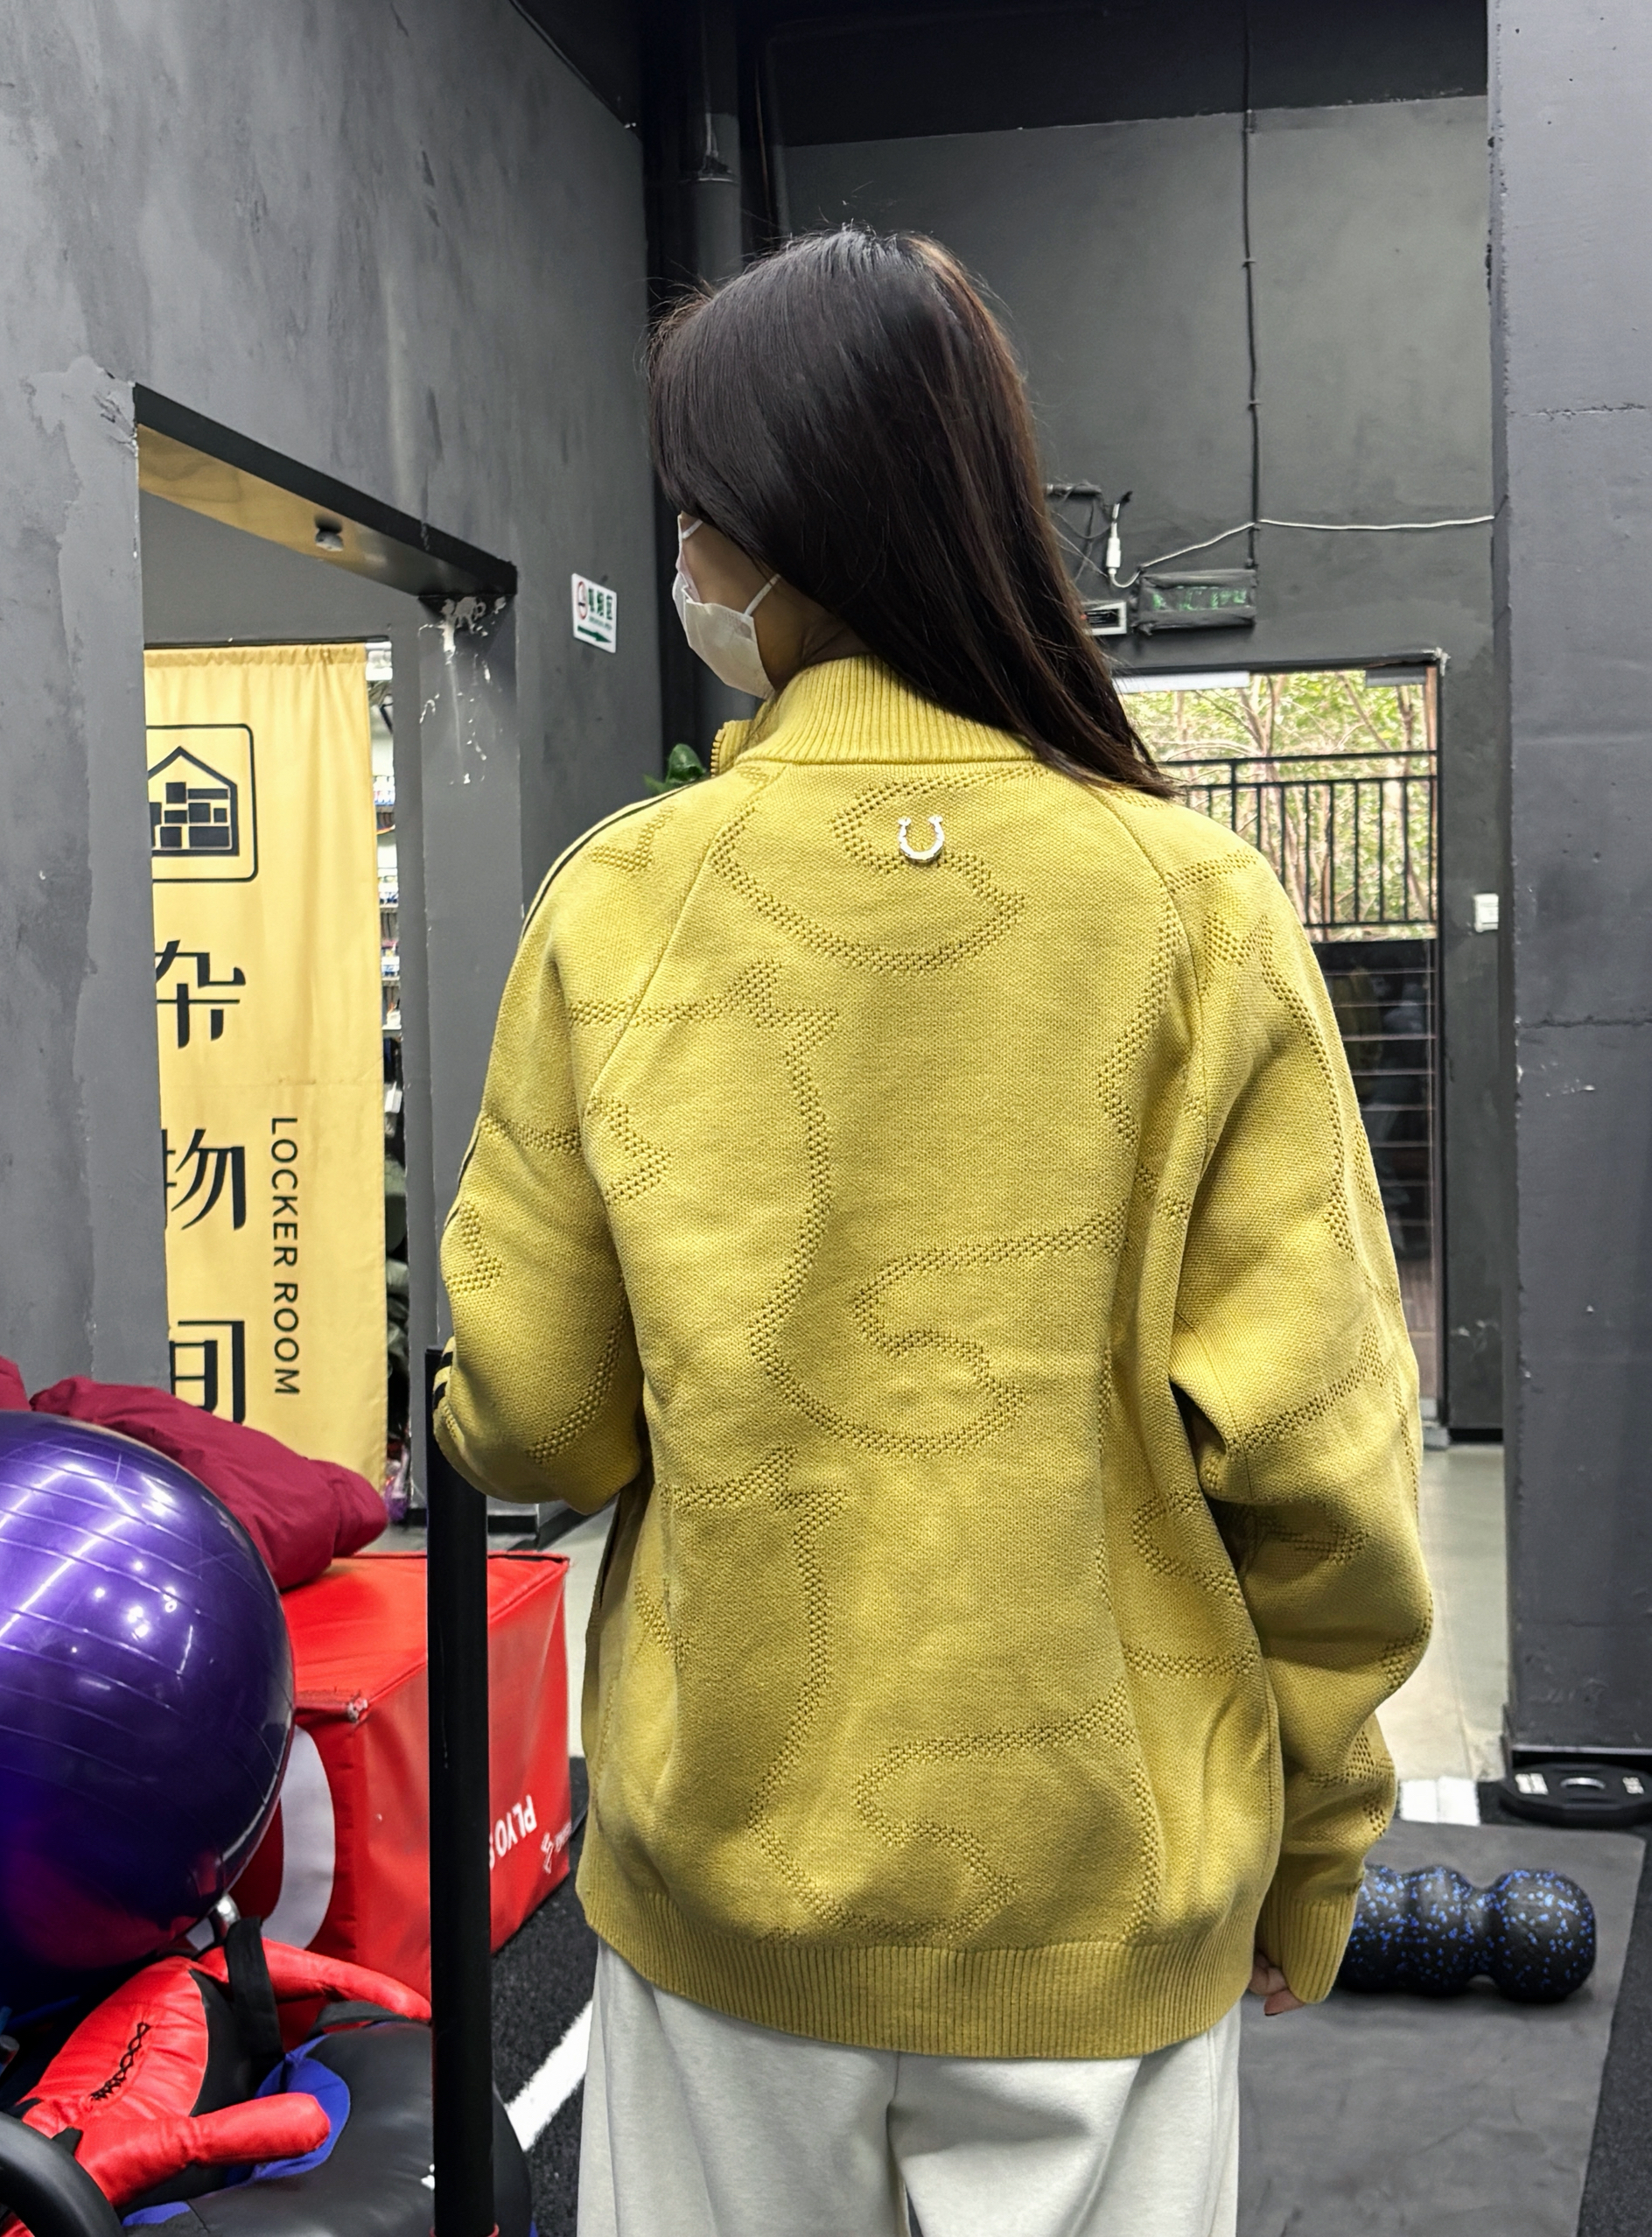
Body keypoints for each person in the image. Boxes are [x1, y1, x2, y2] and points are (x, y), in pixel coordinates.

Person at [434, 227, 1431, 2237]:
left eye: (693, 514)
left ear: (761, 539)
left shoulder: (620, 904)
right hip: (1100, 1894)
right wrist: (1313, 1845)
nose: (684, 555)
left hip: (730, 1892)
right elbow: (1324, 1477)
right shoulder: (1195, 911)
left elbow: (535, 1422)